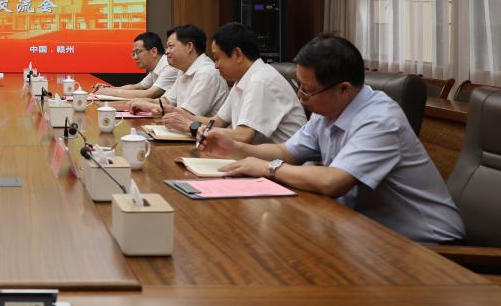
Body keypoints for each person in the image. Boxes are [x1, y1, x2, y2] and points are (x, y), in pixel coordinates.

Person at [199, 34, 465, 244]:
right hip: (365, 230)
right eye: (299, 87)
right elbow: (287, 151)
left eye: (307, 90)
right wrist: (236, 147)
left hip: (427, 245)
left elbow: (334, 181)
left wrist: (269, 168)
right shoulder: (327, 111)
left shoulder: (380, 120)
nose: (301, 97)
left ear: (343, 89)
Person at [160, 23, 305, 143]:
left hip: (283, 165)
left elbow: (243, 136)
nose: (215, 65)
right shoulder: (243, 79)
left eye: (217, 58)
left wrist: (191, 126)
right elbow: (217, 122)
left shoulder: (260, 80)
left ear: (238, 54)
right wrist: (177, 114)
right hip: (256, 160)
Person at [130, 24, 228, 119]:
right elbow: (167, 101)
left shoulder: (206, 73)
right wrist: (141, 101)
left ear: (189, 47)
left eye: (170, 46)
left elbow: (188, 114)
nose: (166, 51)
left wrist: (149, 106)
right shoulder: (183, 71)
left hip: (203, 129)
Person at [91, 31, 178, 99]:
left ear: (154, 52)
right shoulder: (155, 67)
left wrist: (111, 92)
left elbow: (150, 94)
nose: (135, 57)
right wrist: (107, 89)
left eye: (138, 52)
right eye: (133, 53)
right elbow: (137, 87)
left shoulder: (168, 66)